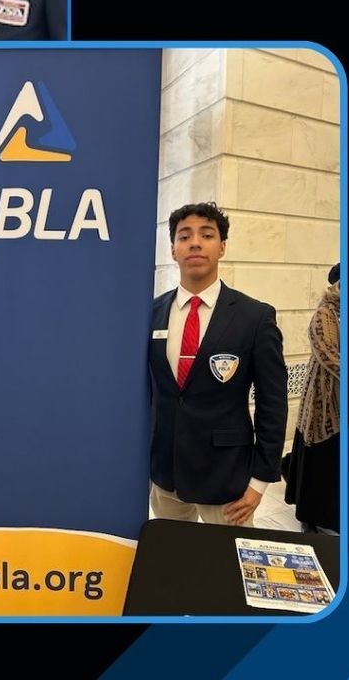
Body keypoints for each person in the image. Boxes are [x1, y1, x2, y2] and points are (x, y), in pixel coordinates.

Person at [148, 202, 287, 526]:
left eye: (206, 235)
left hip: (227, 480)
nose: (195, 242)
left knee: (225, 570)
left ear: (222, 247)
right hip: (166, 476)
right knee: (176, 561)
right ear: (173, 249)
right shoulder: (152, 312)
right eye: (185, 236)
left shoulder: (255, 317)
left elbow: (273, 403)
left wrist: (259, 483)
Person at [283, 264, 341, 533]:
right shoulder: (326, 312)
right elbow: (328, 353)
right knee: (322, 458)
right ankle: (312, 515)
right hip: (323, 400)